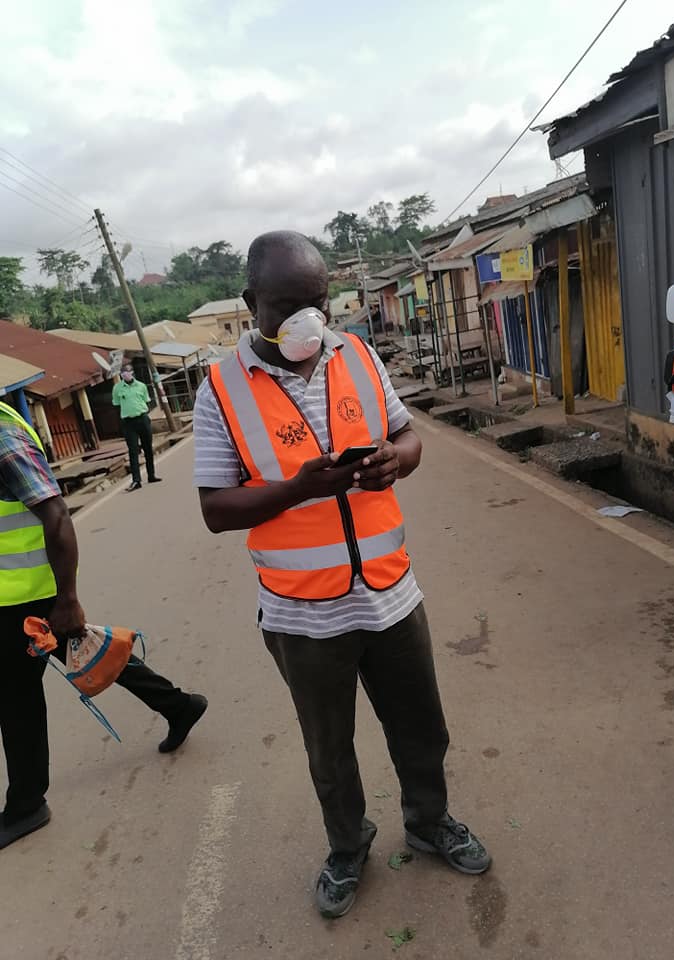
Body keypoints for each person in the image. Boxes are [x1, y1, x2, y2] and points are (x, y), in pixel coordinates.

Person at [194, 231, 491, 920]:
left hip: (391, 594)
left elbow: (407, 435)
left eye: (318, 302)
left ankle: (428, 821)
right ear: (251, 304)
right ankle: (347, 847)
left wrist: (397, 458)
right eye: (287, 304)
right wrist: (298, 489)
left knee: (421, 727)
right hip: (303, 614)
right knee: (329, 749)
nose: (307, 319)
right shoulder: (221, 388)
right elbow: (215, 509)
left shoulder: (355, 353)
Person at [0, 399, 207, 851]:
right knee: (86, 656)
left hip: (23, 602)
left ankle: (27, 805)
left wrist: (68, 599)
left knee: (17, 703)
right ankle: (178, 705)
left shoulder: (3, 437)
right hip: (18, 597)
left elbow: (55, 514)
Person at [112, 363, 161, 492]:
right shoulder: (117, 388)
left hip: (142, 418)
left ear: (132, 372)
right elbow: (116, 403)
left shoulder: (141, 386)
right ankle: (136, 480)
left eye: (127, 371)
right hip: (128, 422)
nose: (125, 374)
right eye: (123, 373)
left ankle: (151, 475)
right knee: (133, 451)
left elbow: (146, 400)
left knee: (147, 448)